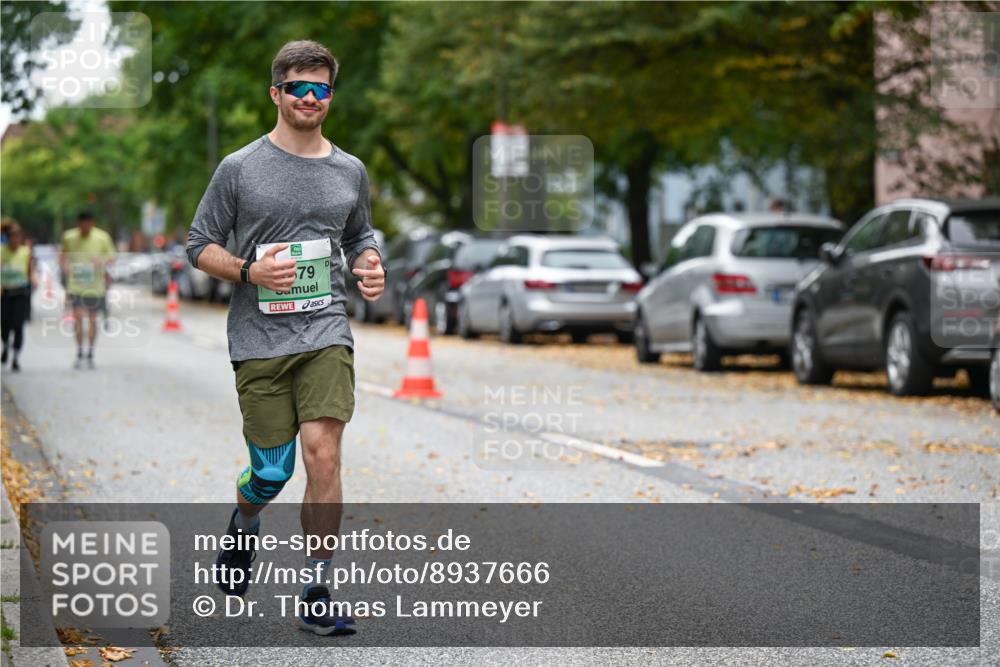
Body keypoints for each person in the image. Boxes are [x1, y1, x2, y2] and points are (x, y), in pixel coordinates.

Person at [186, 40, 385, 636]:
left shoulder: (349, 170)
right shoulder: (240, 168)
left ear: (330, 95)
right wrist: (249, 270)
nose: (309, 97)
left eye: (320, 88)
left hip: (326, 329)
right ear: (276, 93)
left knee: (323, 453)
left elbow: (360, 234)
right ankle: (244, 524)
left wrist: (370, 262)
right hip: (258, 339)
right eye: (298, 86)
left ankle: (318, 587)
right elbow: (198, 245)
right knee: (270, 474)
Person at [60, 211, 116, 369]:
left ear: (92, 223)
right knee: (78, 318)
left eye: (88, 224)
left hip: (96, 287)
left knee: (92, 320)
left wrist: (102, 261)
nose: (85, 227)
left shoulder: (102, 237)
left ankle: (90, 351)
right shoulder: (69, 237)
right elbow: (63, 257)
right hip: (76, 286)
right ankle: (79, 351)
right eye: (82, 224)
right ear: (78, 223)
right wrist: (65, 270)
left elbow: (112, 257)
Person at [1, 219, 33, 371]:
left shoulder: (25, 252)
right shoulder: (1, 251)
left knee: (18, 325)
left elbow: (29, 272)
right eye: (12, 236)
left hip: (20, 293)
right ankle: (6, 345)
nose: (15, 240)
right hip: (5, 293)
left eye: (17, 237)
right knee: (5, 324)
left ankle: (15, 357)